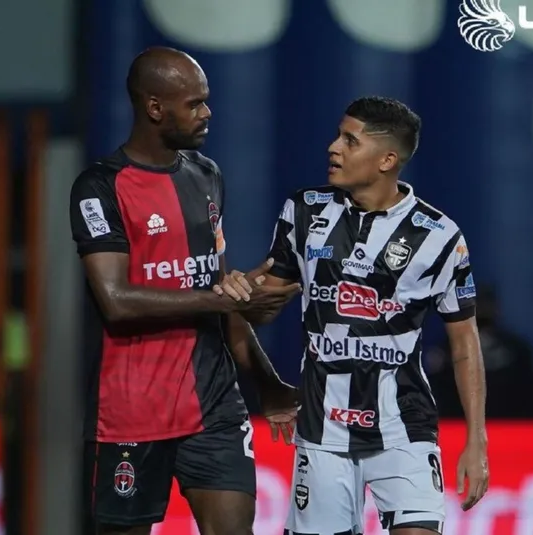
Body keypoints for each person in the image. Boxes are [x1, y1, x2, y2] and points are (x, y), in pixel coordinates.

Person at [217, 97, 489, 535]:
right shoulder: (305, 211)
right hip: (321, 430)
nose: (333, 148)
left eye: (350, 140)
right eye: (337, 136)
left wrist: (477, 440)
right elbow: (258, 308)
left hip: (404, 429)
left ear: (387, 160)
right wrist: (236, 293)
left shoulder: (439, 236)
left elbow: (464, 343)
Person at [70, 47, 301, 535]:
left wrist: (266, 382)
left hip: (214, 405)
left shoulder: (206, 175)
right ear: (155, 108)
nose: (207, 113)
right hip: (132, 411)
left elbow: (222, 291)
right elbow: (116, 301)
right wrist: (219, 298)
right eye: (195, 103)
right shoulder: (100, 187)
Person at [426, 283, 533, 418]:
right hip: (458, 422)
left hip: (510, 421)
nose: (481, 309)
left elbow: (530, 390)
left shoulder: (517, 349)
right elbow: (438, 391)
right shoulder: (445, 350)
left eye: (485, 303)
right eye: (476, 304)